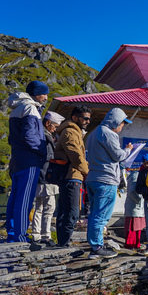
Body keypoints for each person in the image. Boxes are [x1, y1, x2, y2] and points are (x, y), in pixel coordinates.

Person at [85, 107, 133, 259]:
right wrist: (129, 150)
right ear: (116, 122)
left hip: (93, 177)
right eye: (122, 123)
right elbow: (118, 155)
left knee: (94, 213)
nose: (122, 126)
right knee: (102, 215)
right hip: (106, 180)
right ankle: (97, 247)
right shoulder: (109, 134)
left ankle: (94, 244)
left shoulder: (94, 133)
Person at [6, 81, 49, 244]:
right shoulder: (30, 108)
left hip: (17, 159)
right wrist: (41, 151)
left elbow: (13, 138)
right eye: (43, 93)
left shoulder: (16, 108)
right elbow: (29, 136)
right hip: (29, 160)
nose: (45, 97)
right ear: (36, 93)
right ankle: (21, 236)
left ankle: (12, 233)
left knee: (15, 198)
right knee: (25, 199)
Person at [54, 106, 92, 247]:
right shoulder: (71, 132)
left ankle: (62, 242)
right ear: (75, 118)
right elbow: (76, 156)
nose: (88, 121)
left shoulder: (74, 132)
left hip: (70, 175)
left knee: (65, 211)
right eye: (85, 118)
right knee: (72, 212)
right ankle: (64, 243)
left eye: (89, 118)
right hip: (71, 176)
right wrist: (88, 172)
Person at [30, 111, 65, 248]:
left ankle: (36, 235)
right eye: (55, 126)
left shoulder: (38, 135)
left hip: (38, 177)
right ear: (48, 123)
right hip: (47, 177)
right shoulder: (46, 137)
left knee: (38, 207)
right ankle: (46, 235)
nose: (55, 129)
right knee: (49, 207)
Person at [134, 154, 148, 254]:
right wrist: (147, 189)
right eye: (145, 163)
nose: (147, 165)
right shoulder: (142, 173)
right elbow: (138, 188)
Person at [124, 164, 146, 250]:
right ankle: (130, 244)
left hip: (138, 207)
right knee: (132, 227)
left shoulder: (139, 176)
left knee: (138, 227)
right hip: (134, 206)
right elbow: (131, 191)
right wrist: (139, 201)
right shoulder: (135, 176)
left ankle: (137, 243)